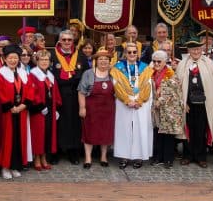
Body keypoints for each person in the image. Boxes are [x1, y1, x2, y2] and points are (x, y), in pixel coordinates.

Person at [111, 41, 153, 169]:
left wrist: (139, 100)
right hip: (124, 102)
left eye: (134, 52)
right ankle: (124, 156)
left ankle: (139, 156)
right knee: (124, 128)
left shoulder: (145, 68)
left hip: (141, 102)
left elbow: (148, 85)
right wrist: (127, 100)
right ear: (125, 53)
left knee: (140, 128)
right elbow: (116, 85)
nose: (132, 54)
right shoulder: (117, 68)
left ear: (138, 53)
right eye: (129, 52)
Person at [178, 40, 213, 168]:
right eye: (193, 49)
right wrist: (183, 102)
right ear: (188, 51)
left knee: (201, 130)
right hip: (188, 102)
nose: (196, 52)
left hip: (204, 102)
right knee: (188, 129)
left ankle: (201, 157)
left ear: (201, 50)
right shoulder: (182, 64)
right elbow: (178, 85)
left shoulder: (208, 63)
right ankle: (188, 155)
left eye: (198, 49)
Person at [0, 45, 32, 179]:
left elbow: (30, 90)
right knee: (7, 139)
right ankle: (5, 167)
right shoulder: (0, 74)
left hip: (21, 111)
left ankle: (15, 165)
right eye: (10, 58)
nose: (13, 60)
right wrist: (10, 106)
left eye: (15, 58)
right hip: (7, 113)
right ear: (5, 58)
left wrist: (24, 105)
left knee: (18, 139)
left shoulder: (23, 73)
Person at [49, 29, 88, 164]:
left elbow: (85, 76)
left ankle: (74, 152)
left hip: (75, 95)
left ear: (73, 41)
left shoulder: (81, 56)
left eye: (69, 40)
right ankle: (56, 152)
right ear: (59, 41)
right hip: (57, 94)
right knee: (57, 124)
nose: (66, 42)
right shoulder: (52, 56)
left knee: (74, 124)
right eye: (64, 39)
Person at [78, 47, 116, 168]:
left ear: (109, 61)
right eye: (101, 59)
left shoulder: (113, 74)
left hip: (108, 109)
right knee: (89, 132)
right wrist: (82, 107)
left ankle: (103, 156)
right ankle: (88, 158)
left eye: (106, 59)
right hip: (91, 108)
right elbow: (81, 91)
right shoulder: (88, 73)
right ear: (96, 60)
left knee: (106, 133)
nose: (103, 61)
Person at [26, 49, 60, 172]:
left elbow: (55, 93)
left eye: (47, 60)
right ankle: (37, 158)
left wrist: (56, 107)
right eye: (42, 59)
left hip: (50, 108)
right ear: (37, 61)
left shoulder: (50, 75)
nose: (45, 62)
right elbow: (31, 92)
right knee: (38, 134)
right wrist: (40, 106)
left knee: (47, 133)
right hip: (39, 109)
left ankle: (44, 157)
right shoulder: (33, 74)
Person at [150, 50, 183, 168]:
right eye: (154, 61)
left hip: (169, 110)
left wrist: (161, 100)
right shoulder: (151, 73)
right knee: (157, 134)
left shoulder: (171, 74)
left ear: (165, 62)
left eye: (159, 61)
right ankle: (158, 157)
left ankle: (168, 159)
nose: (156, 63)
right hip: (156, 109)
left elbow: (174, 92)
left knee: (168, 135)